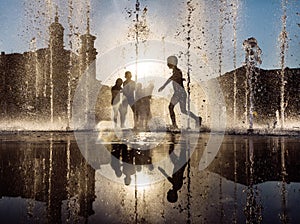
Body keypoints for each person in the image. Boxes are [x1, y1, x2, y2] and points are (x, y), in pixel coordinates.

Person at [158, 55, 202, 129]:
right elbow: (174, 78)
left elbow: (172, 78)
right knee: (183, 110)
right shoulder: (176, 71)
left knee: (171, 107)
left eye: (168, 62)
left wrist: (164, 86)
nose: (167, 64)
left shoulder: (177, 71)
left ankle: (174, 125)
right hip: (180, 93)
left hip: (179, 93)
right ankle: (197, 119)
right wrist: (180, 79)